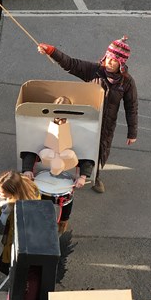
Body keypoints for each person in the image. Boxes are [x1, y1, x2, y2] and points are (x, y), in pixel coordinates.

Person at [37, 38, 138, 193]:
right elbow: (71, 64)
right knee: (80, 146)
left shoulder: (127, 82)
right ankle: (74, 173)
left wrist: (132, 133)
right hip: (87, 120)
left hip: (107, 124)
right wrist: (52, 51)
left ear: (121, 64)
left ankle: (95, 177)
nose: (109, 62)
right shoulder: (94, 70)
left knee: (100, 151)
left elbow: (132, 107)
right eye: (108, 57)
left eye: (114, 60)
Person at [19, 98, 94, 233]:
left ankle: (63, 221)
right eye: (57, 117)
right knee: (39, 199)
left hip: (67, 176)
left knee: (66, 201)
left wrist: (83, 176)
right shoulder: (42, 125)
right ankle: (38, 219)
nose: (59, 120)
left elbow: (85, 154)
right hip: (43, 174)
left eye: (63, 117)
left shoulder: (79, 128)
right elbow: (31, 148)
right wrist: (27, 169)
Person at [0, 170, 40, 275]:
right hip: (10, 231)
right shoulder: (16, 187)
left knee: (5, 267)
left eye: (0, 192)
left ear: (13, 193)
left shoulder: (25, 208)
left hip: (16, 238)